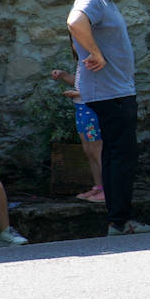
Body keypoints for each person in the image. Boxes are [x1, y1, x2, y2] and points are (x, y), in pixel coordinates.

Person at [66, 0, 150, 236]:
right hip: (109, 93)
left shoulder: (105, 2)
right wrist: (94, 53)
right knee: (120, 157)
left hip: (116, 91)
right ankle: (119, 222)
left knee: (118, 157)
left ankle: (119, 220)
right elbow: (74, 23)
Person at [51, 60, 104, 202]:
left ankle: (108, 189)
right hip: (81, 108)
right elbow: (79, 82)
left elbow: (101, 85)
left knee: (96, 150)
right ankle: (99, 187)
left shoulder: (94, 59)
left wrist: (79, 94)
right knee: (88, 150)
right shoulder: (81, 61)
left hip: (91, 109)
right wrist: (64, 75)